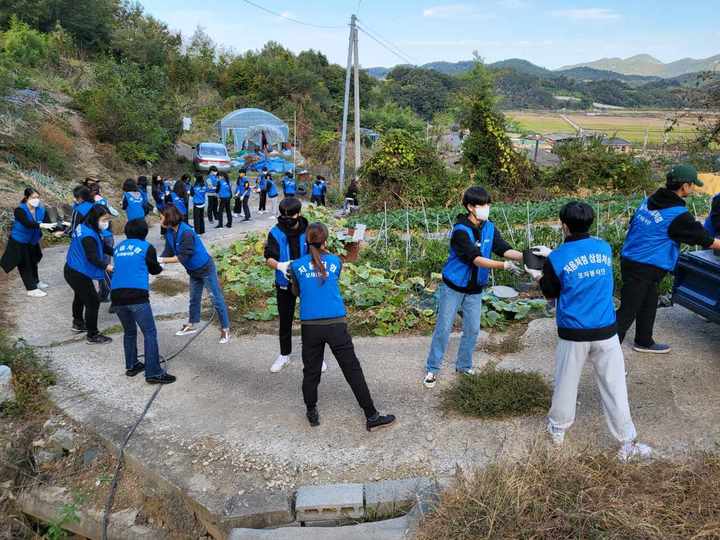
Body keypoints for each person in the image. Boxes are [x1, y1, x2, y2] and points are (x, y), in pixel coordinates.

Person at [530, 201, 652, 461]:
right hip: (606, 331)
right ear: (591, 223)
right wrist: (554, 257)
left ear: (563, 225)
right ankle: (627, 442)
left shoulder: (558, 258)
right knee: (615, 386)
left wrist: (539, 275)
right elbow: (583, 263)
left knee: (566, 384)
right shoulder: (604, 248)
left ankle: (558, 431)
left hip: (574, 333)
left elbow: (551, 292)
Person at [288, 222, 396, 431]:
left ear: (306, 241)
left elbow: (297, 292)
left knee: (311, 371)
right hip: (336, 324)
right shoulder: (335, 262)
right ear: (326, 241)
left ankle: (311, 412)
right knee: (352, 369)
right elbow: (330, 278)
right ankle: (371, 415)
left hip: (310, 326)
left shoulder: (296, 266)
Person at [423, 186, 523, 388]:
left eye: (488, 204)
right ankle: (432, 369)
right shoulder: (461, 231)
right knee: (444, 328)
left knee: (472, 329)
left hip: (475, 288)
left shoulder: (489, 226)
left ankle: (464, 366)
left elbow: (502, 248)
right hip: (454, 286)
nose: (486, 208)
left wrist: (526, 257)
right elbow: (476, 259)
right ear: (470, 207)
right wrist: (504, 266)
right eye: (482, 204)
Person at [617, 165, 720, 354]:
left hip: (632, 258)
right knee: (628, 309)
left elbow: (635, 223)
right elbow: (705, 240)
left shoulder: (649, 201)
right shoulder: (678, 215)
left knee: (648, 300)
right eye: (692, 186)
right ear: (685, 186)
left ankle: (644, 340)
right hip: (644, 265)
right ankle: (608, 350)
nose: (693, 189)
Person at [265, 197, 326, 373]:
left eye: (290, 217)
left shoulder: (309, 230)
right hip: (284, 282)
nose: (287, 221)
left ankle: (316, 357)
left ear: (298, 214)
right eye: (283, 217)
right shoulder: (275, 232)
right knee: (285, 320)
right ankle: (284, 355)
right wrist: (280, 266)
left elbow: (318, 252)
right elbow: (268, 258)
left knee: (312, 320)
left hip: (307, 282)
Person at [111, 219, 176, 385]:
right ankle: (153, 372)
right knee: (149, 332)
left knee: (130, 332)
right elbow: (154, 269)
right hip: (137, 296)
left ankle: (132, 365)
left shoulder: (118, 248)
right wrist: (162, 266)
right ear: (144, 233)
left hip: (117, 296)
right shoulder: (146, 247)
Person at [158, 206, 231, 344]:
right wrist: (160, 263)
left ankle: (226, 328)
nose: (159, 219)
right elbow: (168, 250)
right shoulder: (169, 232)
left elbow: (183, 257)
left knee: (216, 298)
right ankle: (192, 324)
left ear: (169, 217)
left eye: (161, 217)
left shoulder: (186, 232)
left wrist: (161, 260)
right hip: (193, 271)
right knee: (194, 298)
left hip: (205, 268)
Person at [64, 204, 114, 343]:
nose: (106, 223)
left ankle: (78, 323)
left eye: (107, 219)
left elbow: (102, 246)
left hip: (73, 268)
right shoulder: (88, 236)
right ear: (95, 218)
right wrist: (109, 267)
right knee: (93, 302)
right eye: (104, 219)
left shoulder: (86, 226)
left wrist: (117, 253)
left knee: (80, 296)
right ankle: (93, 335)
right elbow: (92, 258)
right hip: (77, 272)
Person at [1, 188, 53, 297]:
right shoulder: (19, 210)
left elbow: (49, 225)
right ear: (26, 198)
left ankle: (36, 282)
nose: (36, 200)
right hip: (19, 240)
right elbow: (27, 223)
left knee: (34, 261)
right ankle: (31, 289)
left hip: (32, 240)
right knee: (25, 264)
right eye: (33, 197)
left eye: (38, 197)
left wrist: (58, 231)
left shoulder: (41, 210)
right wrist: (40, 225)